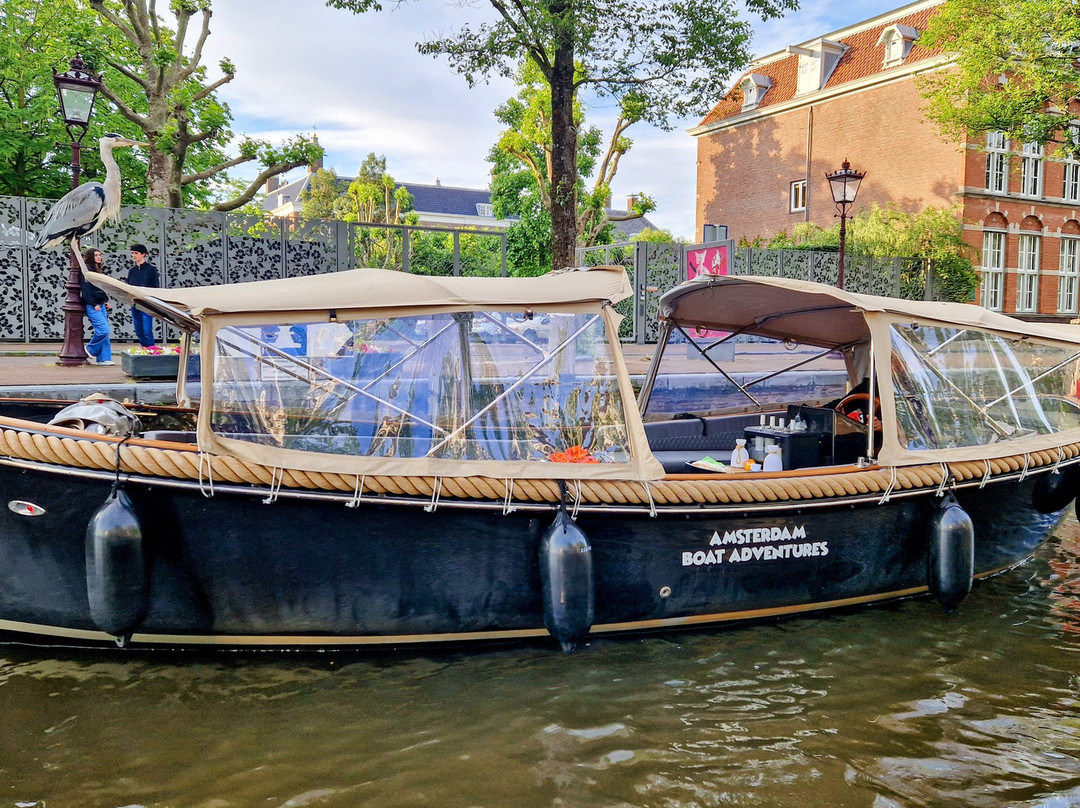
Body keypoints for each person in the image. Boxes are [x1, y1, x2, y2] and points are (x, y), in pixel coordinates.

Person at [81, 248, 114, 365]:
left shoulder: (97, 271)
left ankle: (104, 358)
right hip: (93, 306)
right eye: (96, 255)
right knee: (103, 330)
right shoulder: (87, 272)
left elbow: (100, 288)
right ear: (91, 257)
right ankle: (89, 349)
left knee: (104, 332)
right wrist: (93, 303)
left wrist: (105, 301)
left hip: (100, 304)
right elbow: (87, 290)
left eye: (100, 255)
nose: (99, 257)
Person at [127, 243, 159, 348]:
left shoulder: (151, 269)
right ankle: (144, 349)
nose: (134, 256)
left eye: (136, 253)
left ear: (143, 254)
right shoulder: (132, 271)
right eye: (132, 253)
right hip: (134, 303)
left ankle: (151, 350)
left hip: (146, 303)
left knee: (146, 330)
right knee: (139, 330)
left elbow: (155, 287)